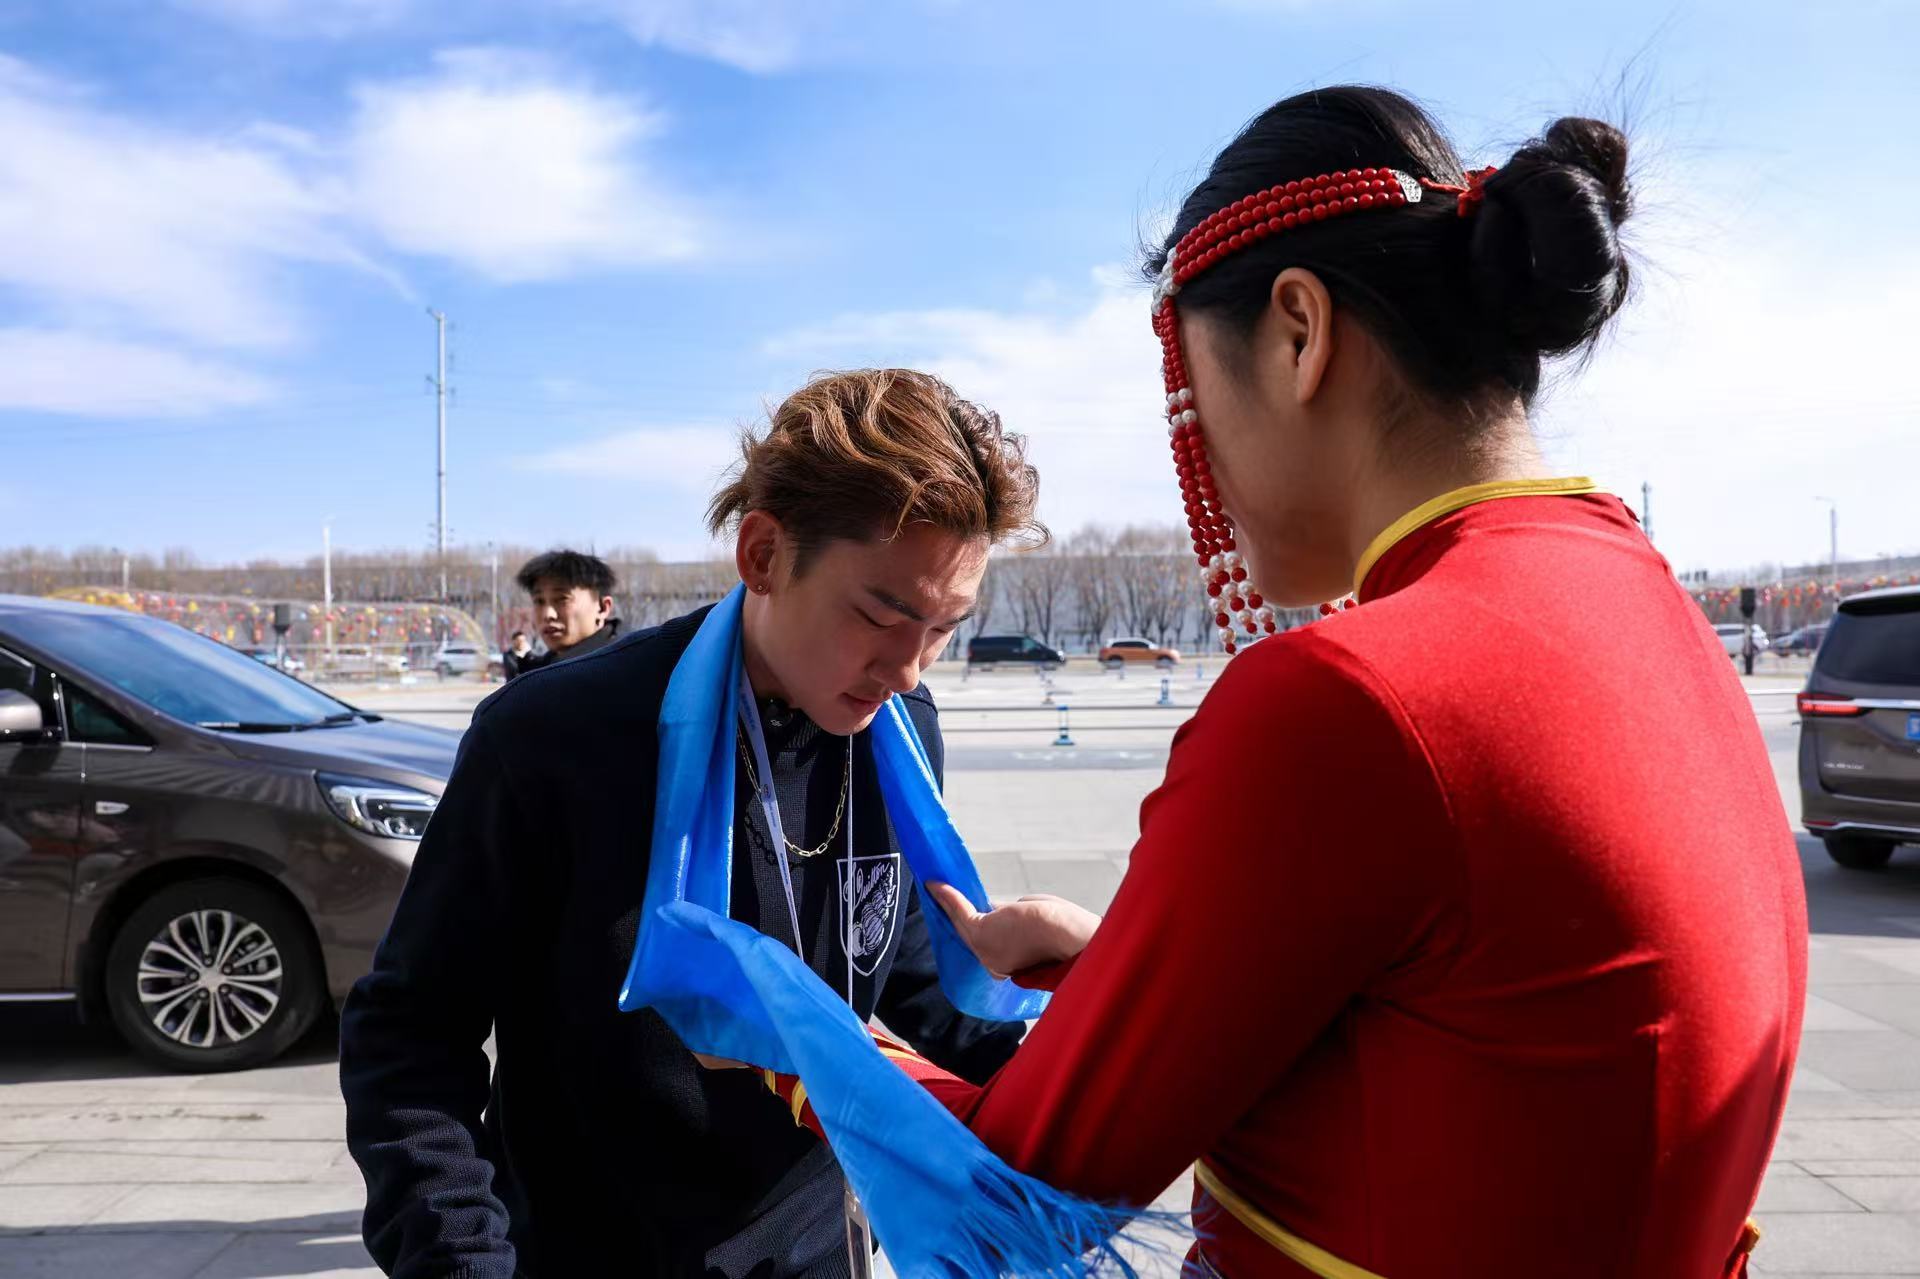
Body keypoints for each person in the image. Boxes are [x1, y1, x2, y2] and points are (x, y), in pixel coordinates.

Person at [757, 87, 1808, 1278]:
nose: (1197, 453)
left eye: (1190, 396)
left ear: (1299, 333)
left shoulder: (1345, 695)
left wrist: (788, 1034)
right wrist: (1124, 974)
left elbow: (1013, 1180)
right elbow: (1473, 1034)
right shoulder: (1636, 586)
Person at [339, 369, 1041, 1278]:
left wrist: (1071, 1015)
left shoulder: (899, 729)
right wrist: (460, 1258)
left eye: (944, 627)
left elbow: (899, 963)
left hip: (816, 1247)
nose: (908, 668)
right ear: (763, 554)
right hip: (590, 1250)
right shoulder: (555, 736)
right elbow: (409, 1033)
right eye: (881, 614)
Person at [513, 548, 620, 672]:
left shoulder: (624, 667)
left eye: (562, 599)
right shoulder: (538, 672)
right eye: (539, 601)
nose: (548, 614)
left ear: (602, 608)